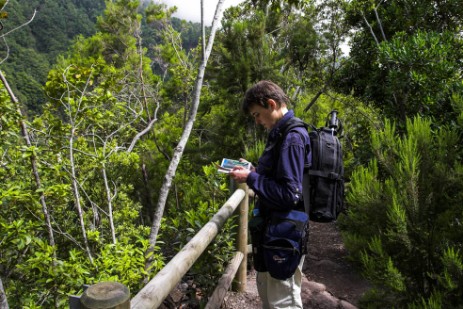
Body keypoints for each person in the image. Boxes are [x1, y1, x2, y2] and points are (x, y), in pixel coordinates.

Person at [230, 80, 311, 308]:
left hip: (285, 233)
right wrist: (254, 171)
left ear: (271, 104)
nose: (257, 121)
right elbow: (279, 178)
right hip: (273, 230)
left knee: (283, 302)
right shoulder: (280, 134)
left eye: (257, 115)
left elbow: (288, 194)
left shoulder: (292, 138)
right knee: (270, 297)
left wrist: (251, 178)